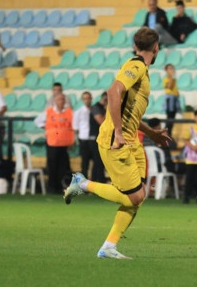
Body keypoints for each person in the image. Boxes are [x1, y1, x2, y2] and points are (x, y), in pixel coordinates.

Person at [63, 27, 172, 260]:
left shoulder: (139, 68)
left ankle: (108, 247)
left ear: (135, 46)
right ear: (156, 48)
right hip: (116, 141)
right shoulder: (137, 66)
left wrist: (151, 132)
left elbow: (128, 111)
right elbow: (113, 92)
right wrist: (120, 134)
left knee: (138, 198)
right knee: (135, 197)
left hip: (132, 140)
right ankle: (82, 184)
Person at [35, 93, 73, 194]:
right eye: (59, 99)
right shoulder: (49, 111)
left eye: (63, 99)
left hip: (64, 143)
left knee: (62, 166)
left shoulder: (68, 112)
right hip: (52, 143)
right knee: (52, 166)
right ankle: (51, 187)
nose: (61, 101)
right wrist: (47, 128)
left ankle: (58, 186)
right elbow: (37, 121)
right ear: (55, 101)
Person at [73, 92, 98, 182]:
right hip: (84, 139)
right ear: (82, 100)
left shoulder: (95, 110)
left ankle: (94, 182)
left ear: (91, 98)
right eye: (85, 98)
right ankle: (84, 184)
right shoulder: (79, 112)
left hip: (94, 138)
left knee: (96, 161)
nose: (87, 100)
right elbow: (75, 127)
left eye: (88, 98)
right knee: (85, 163)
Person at [87, 92, 107, 181]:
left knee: (99, 161)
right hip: (94, 138)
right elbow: (102, 122)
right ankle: (98, 180)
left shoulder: (101, 108)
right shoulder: (96, 108)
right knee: (98, 161)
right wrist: (108, 110)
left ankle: (97, 181)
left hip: (100, 138)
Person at [163, 64, 180, 135]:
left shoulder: (174, 79)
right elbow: (169, 86)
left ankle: (169, 133)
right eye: (170, 69)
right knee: (169, 117)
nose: (172, 70)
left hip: (175, 98)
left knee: (172, 118)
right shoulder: (167, 78)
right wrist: (171, 77)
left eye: (172, 68)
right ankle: (166, 133)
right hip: (170, 99)